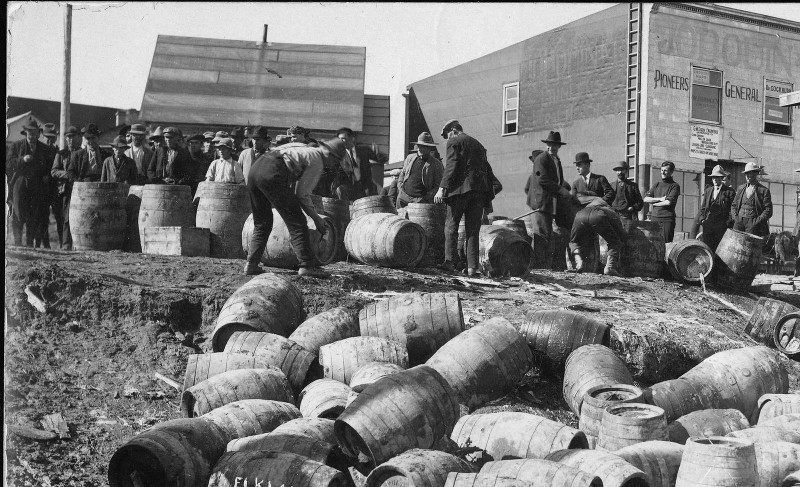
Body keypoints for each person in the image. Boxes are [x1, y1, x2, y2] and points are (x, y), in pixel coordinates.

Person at [244, 137, 346, 277]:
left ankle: (251, 264)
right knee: (297, 222)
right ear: (330, 154)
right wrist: (316, 218)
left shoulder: (301, 147)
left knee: (263, 222)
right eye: (335, 161)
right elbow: (301, 194)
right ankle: (307, 265)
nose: (333, 165)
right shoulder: (317, 160)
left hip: (255, 170)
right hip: (272, 173)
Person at [434, 119, 494, 277]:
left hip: (459, 192)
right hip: (479, 193)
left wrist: (442, 188)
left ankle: (450, 263)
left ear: (453, 130)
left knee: (451, 227)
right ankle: (472, 267)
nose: (448, 139)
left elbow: (451, 165)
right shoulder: (479, 145)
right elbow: (486, 171)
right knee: (473, 230)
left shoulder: (455, 141)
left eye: (447, 135)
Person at [526, 131, 576, 269]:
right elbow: (542, 179)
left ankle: (547, 265)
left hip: (550, 203)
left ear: (559, 147)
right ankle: (540, 267)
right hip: (540, 203)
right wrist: (561, 190)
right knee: (541, 235)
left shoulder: (556, 160)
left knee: (548, 234)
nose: (551, 148)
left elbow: (557, 180)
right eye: (549, 145)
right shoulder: (541, 159)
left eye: (554, 145)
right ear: (546, 145)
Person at [6, 119, 53, 247]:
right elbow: (9, 164)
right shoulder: (16, 146)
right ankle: (17, 244)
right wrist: (22, 159)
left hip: (37, 185)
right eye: (29, 133)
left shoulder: (44, 148)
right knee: (18, 214)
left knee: (34, 215)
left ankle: (29, 244)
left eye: (34, 133)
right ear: (25, 133)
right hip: (20, 183)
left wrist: (46, 176)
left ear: (39, 134)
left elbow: (50, 167)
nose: (32, 136)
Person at [568, 195, 626, 276]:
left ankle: (579, 263)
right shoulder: (611, 210)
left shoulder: (589, 201)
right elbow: (620, 234)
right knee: (615, 242)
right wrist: (622, 239)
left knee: (573, 241)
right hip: (598, 215)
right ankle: (609, 267)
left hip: (580, 215)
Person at [50, 125, 82, 250]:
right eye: (68, 137)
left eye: (73, 137)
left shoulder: (82, 153)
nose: (71, 140)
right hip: (65, 190)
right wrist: (66, 174)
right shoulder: (61, 154)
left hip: (79, 190)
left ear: (79, 138)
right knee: (65, 218)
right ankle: (65, 245)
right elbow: (54, 171)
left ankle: (77, 245)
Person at [396, 132, 443, 209]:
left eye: (423, 146)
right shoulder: (410, 158)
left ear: (429, 148)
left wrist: (425, 198)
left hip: (420, 202)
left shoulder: (436, 164)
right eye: (419, 146)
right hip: (403, 198)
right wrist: (400, 188)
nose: (420, 149)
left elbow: (439, 185)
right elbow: (403, 173)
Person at [695, 164, 736, 251]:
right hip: (708, 227)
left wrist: (727, 224)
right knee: (708, 251)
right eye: (713, 177)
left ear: (721, 178)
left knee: (719, 252)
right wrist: (702, 220)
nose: (714, 179)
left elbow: (732, 211)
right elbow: (703, 209)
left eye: (717, 177)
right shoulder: (708, 191)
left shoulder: (729, 192)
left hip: (721, 229)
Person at [730, 162, 772, 238]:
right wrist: (736, 218)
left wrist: (756, 222)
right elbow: (734, 205)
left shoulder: (763, 190)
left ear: (756, 173)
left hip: (753, 225)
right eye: (746, 173)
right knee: (735, 245)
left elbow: (768, 210)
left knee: (750, 246)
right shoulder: (740, 188)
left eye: (750, 173)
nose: (747, 176)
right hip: (739, 222)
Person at [644, 160, 681, 243]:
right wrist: (660, 199)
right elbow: (646, 199)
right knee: (653, 244)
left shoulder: (674, 186)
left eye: (665, 170)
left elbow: (668, 202)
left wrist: (653, 203)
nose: (663, 172)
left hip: (667, 219)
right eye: (661, 170)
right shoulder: (656, 185)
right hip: (654, 218)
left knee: (666, 244)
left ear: (671, 172)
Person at [335, 127, 376, 200]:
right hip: (348, 188)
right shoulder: (339, 155)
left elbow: (368, 172)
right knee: (340, 189)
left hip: (363, 187)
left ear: (352, 138)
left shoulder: (363, 152)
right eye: (339, 139)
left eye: (343, 138)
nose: (341, 141)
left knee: (372, 188)